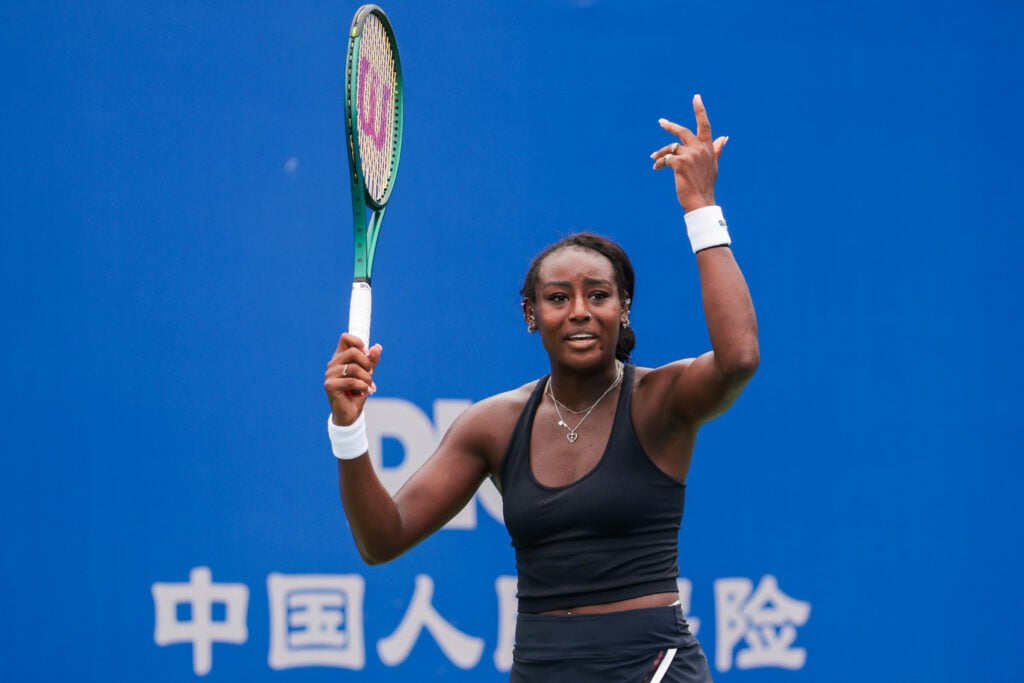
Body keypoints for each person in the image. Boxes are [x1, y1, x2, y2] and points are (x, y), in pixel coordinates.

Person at [324, 94, 758, 682]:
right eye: (558, 298)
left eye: (598, 296)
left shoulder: (661, 402)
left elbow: (737, 359)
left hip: (651, 669)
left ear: (623, 310)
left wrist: (702, 208)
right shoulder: (494, 425)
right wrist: (347, 429)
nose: (579, 311)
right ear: (532, 315)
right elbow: (382, 538)